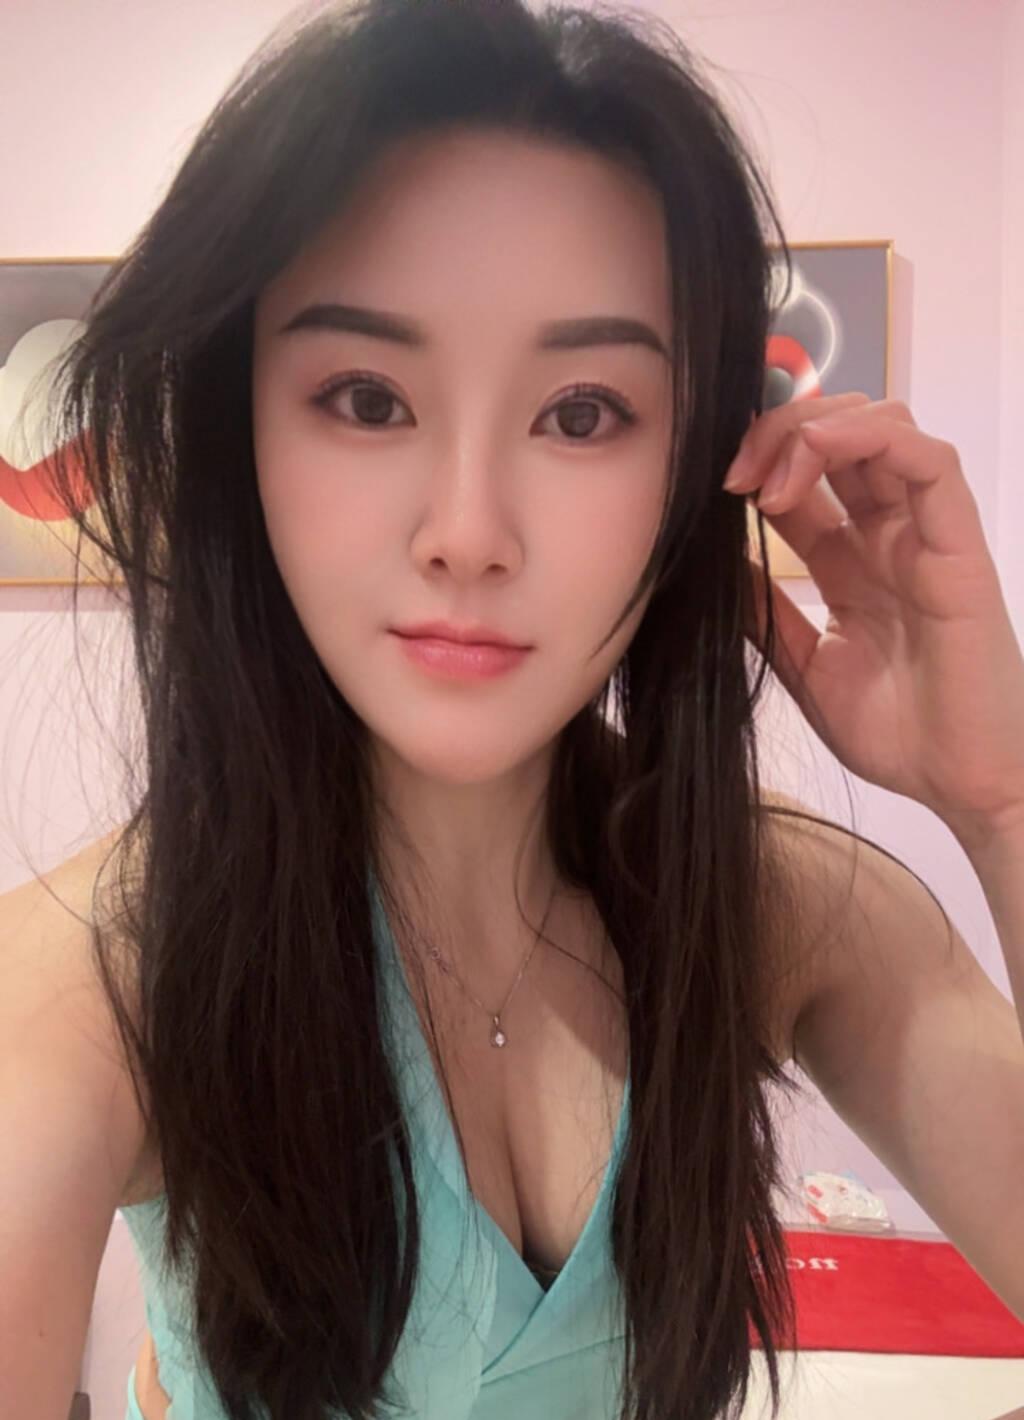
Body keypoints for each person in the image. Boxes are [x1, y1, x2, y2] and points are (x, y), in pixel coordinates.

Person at [4, 1, 1024, 1418]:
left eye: (584, 413)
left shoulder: (766, 904)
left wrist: (1002, 803)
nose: (470, 534)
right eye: (367, 398)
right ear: (244, 435)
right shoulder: (88, 990)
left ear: (697, 467)